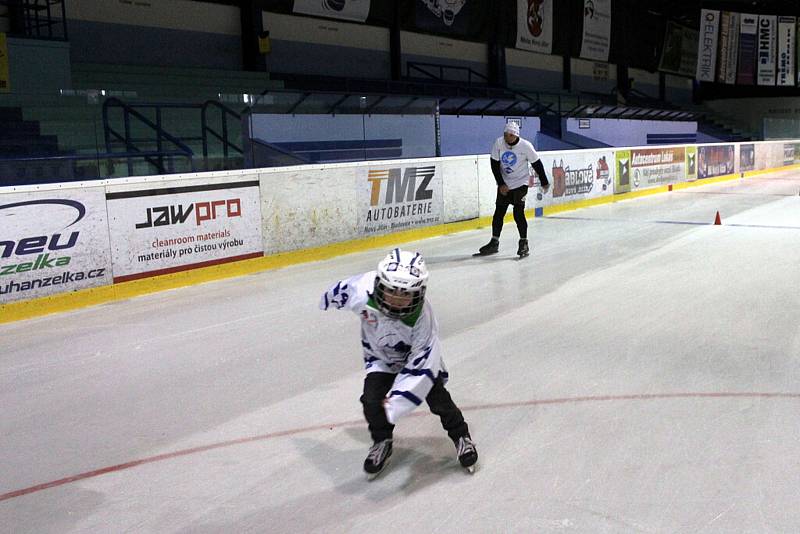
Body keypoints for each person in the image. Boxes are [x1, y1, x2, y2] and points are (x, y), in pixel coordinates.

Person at [320, 248, 478, 478]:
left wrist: (399, 398)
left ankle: (461, 436)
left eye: (405, 294)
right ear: (379, 285)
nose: (397, 299)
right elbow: (344, 290)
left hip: (414, 361)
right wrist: (328, 299)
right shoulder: (364, 293)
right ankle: (382, 439)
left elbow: (421, 362)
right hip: (381, 360)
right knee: (371, 400)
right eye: (392, 291)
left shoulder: (422, 318)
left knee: (439, 399)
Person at [477, 122, 550, 258]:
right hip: (505, 182)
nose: (506, 138)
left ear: (515, 135)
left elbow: (536, 164)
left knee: (518, 213)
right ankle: (494, 241)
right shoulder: (499, 143)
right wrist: (501, 183)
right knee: (499, 212)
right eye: (505, 134)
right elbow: (494, 164)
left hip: (521, 183)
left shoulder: (525, 146)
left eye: (509, 135)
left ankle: (523, 242)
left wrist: (544, 181)